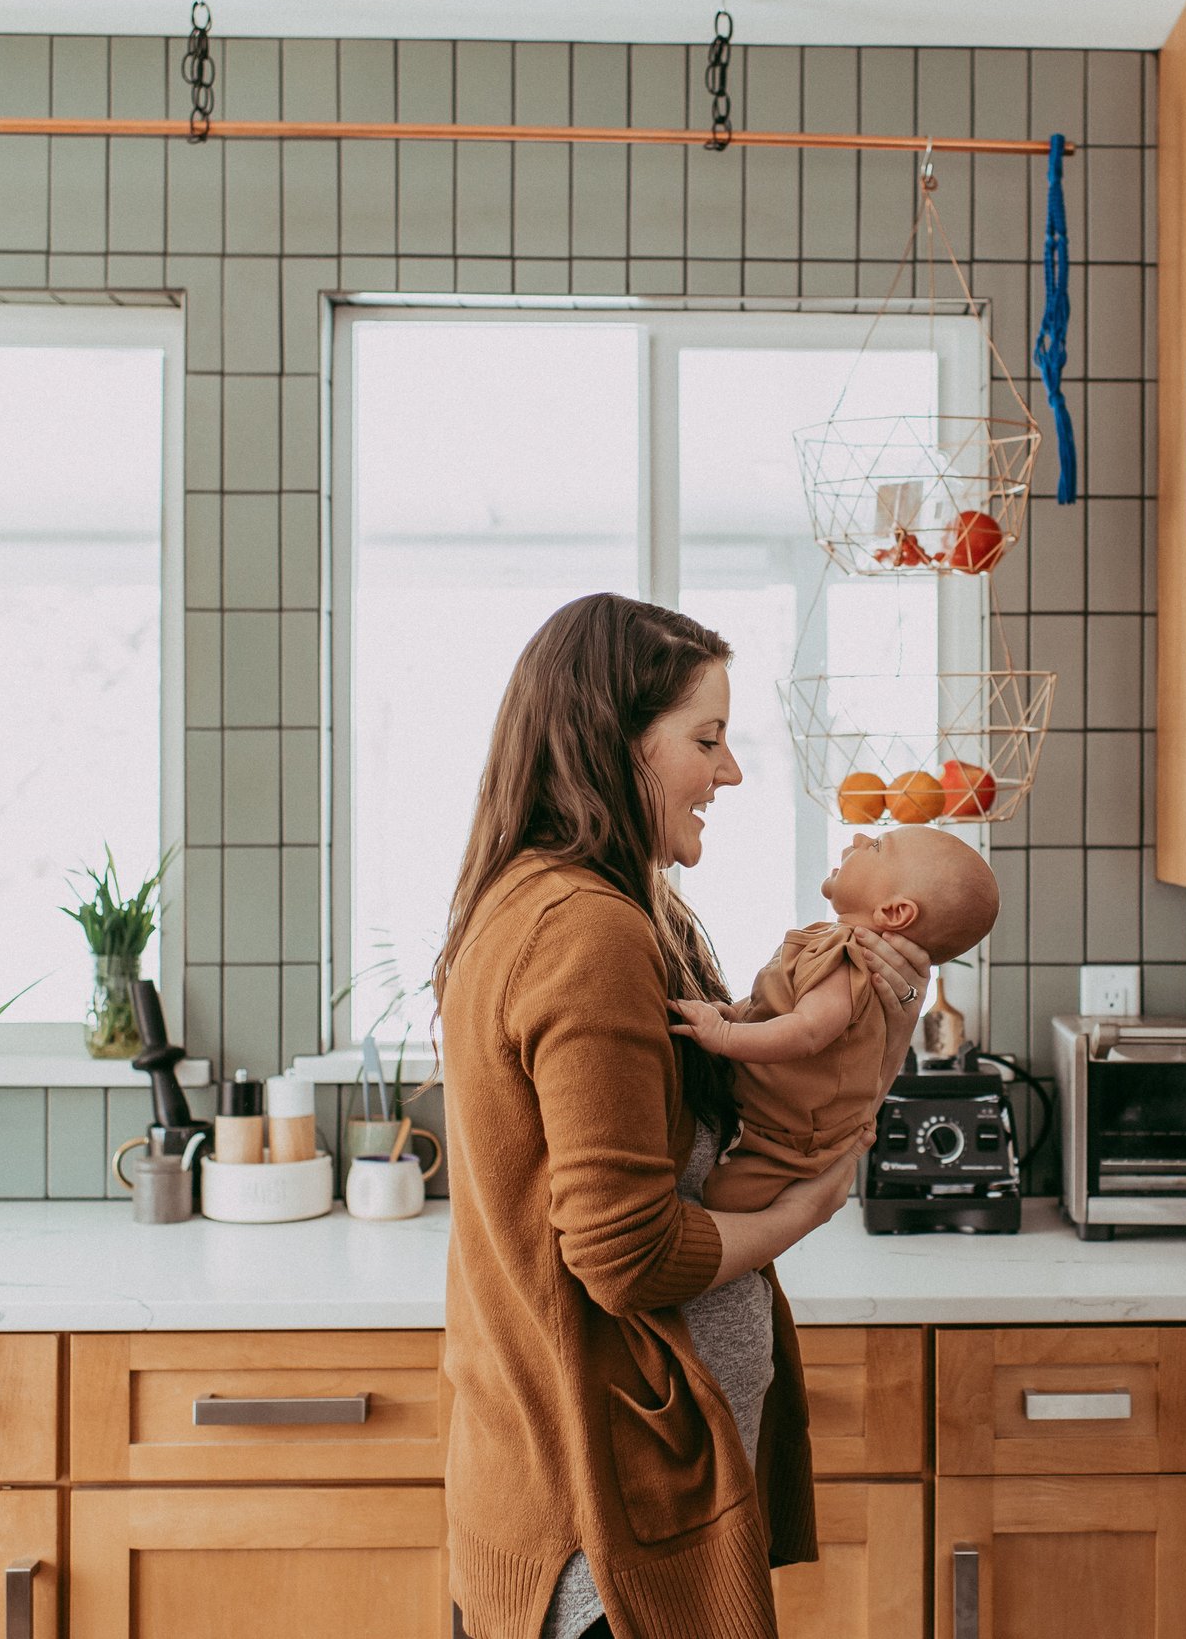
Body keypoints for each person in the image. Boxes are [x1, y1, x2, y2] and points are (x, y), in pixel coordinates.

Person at [432, 593, 930, 1639]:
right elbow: (624, 1256)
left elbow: (749, 1110)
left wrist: (881, 1024)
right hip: (609, 1526)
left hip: (613, 1495)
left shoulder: (585, 905)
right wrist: (813, 1205)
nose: (731, 771)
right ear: (614, 742)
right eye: (706, 739)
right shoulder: (584, 931)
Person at [671, 825, 998, 1212]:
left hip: (781, 1138)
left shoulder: (849, 961)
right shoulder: (830, 943)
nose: (859, 837)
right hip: (765, 1116)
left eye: (876, 847)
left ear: (894, 912)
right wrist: (738, 1015)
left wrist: (724, 1035)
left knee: (722, 1202)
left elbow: (806, 1031)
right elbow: (781, 1000)